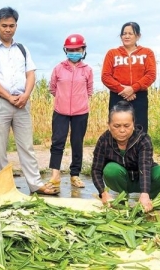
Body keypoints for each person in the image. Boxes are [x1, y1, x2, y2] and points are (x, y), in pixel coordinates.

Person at [0, 7, 55, 195]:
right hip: (0, 103)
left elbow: (30, 74)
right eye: (4, 25)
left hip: (22, 103)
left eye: (11, 26)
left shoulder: (23, 49)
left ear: (16, 26)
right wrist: (8, 96)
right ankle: (4, 187)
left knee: (26, 146)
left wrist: (26, 95)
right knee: (0, 147)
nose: (8, 29)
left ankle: (35, 184)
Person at [92, 101, 160, 212]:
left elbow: (144, 167)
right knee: (110, 169)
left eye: (127, 126)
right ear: (109, 125)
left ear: (133, 124)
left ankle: (147, 200)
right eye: (116, 126)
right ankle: (122, 200)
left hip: (144, 180)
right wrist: (103, 193)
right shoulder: (104, 140)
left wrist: (144, 193)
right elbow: (96, 170)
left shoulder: (143, 139)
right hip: (122, 180)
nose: (122, 130)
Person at [48, 34, 93, 193]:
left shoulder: (87, 70)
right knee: (57, 142)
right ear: (65, 50)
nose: (74, 52)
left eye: (77, 49)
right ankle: (55, 175)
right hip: (60, 111)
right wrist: (63, 99)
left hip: (81, 112)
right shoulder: (58, 68)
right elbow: (53, 88)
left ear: (83, 50)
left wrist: (78, 102)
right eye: (70, 50)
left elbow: (89, 91)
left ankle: (75, 175)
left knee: (77, 142)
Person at [101, 22, 156, 133]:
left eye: (130, 33)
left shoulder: (147, 53)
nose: (126, 36)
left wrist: (132, 88)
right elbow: (105, 76)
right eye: (124, 33)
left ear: (138, 36)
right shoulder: (112, 53)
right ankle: (117, 150)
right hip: (117, 95)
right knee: (117, 127)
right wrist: (122, 89)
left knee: (139, 127)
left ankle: (140, 150)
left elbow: (151, 75)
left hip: (139, 96)